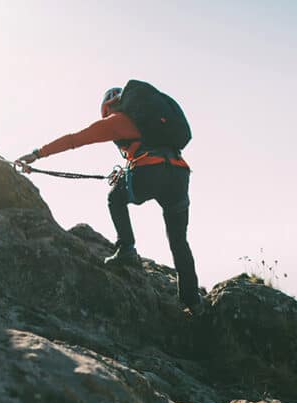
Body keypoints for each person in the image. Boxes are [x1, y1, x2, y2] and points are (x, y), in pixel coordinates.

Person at [16, 83, 203, 313]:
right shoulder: (152, 122)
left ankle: (126, 248)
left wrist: (37, 154)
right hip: (179, 173)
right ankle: (192, 301)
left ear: (107, 108)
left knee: (115, 198)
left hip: (150, 171)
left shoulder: (117, 121)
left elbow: (75, 139)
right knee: (178, 240)